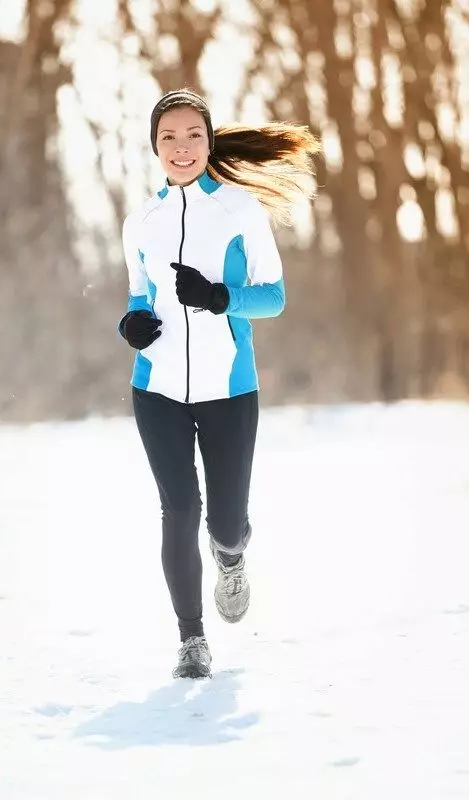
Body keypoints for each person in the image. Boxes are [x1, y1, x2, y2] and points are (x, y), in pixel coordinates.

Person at [118, 88, 320, 679]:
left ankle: (230, 555)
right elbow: (138, 297)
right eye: (169, 138)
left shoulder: (240, 212)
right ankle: (191, 639)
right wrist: (131, 324)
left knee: (224, 521)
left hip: (229, 386)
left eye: (193, 136)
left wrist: (217, 298)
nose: (181, 148)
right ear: (155, 147)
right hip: (156, 388)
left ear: (209, 142)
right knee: (178, 510)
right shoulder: (141, 223)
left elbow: (276, 299)